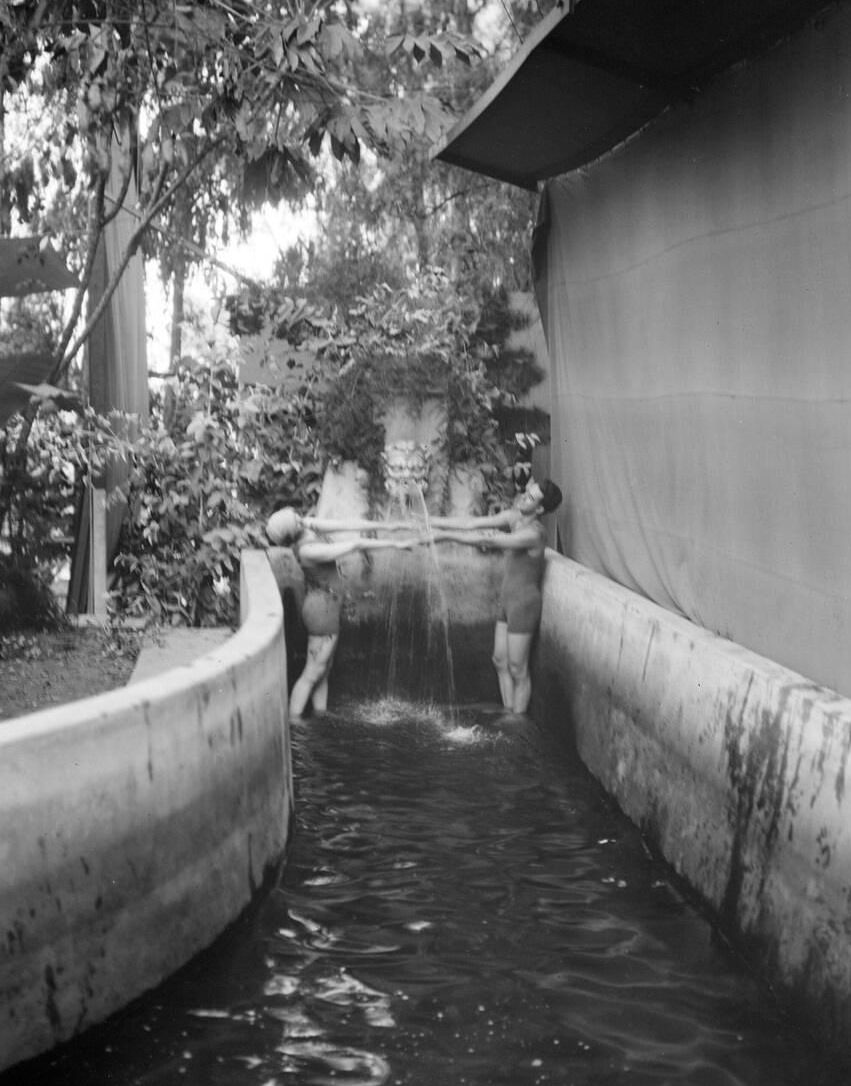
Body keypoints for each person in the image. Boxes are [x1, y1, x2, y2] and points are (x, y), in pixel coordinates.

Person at [266, 506, 420, 719]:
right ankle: (295, 724)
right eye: (296, 518)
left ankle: (321, 716)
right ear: (293, 528)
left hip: (327, 606)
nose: (301, 518)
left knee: (324, 670)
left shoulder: (308, 529)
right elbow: (355, 545)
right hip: (321, 612)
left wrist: (389, 526)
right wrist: (395, 543)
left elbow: (349, 525)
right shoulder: (307, 550)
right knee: (311, 673)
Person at [429, 477, 562, 716]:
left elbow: (488, 540)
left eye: (530, 497)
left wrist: (442, 537)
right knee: (500, 661)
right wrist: (429, 521)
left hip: (524, 603)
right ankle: (508, 711)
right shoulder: (514, 517)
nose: (523, 497)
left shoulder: (535, 534)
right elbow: (472, 524)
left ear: (540, 509)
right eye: (525, 492)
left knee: (517, 668)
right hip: (506, 599)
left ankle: (516, 721)